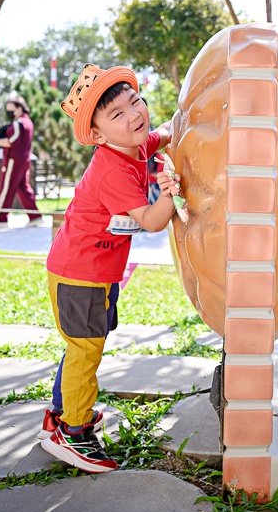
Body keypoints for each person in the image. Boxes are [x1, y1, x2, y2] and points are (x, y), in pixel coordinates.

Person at [40, 64, 180, 473]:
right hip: (80, 273)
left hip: (91, 270)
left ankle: (61, 412)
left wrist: (184, 124)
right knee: (85, 351)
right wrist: (171, 190)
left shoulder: (133, 146)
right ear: (98, 135)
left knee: (81, 346)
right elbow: (152, 221)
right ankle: (74, 432)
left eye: (135, 102)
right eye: (117, 114)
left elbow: (163, 134)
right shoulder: (112, 169)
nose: (134, 115)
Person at [0, 96, 43, 228]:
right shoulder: (27, 122)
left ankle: (0, 219)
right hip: (23, 160)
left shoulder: (19, 123)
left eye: (11, 110)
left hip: (14, 160)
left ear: (19, 108)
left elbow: (12, 141)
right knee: (23, 188)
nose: (9, 113)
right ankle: (35, 217)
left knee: (6, 188)